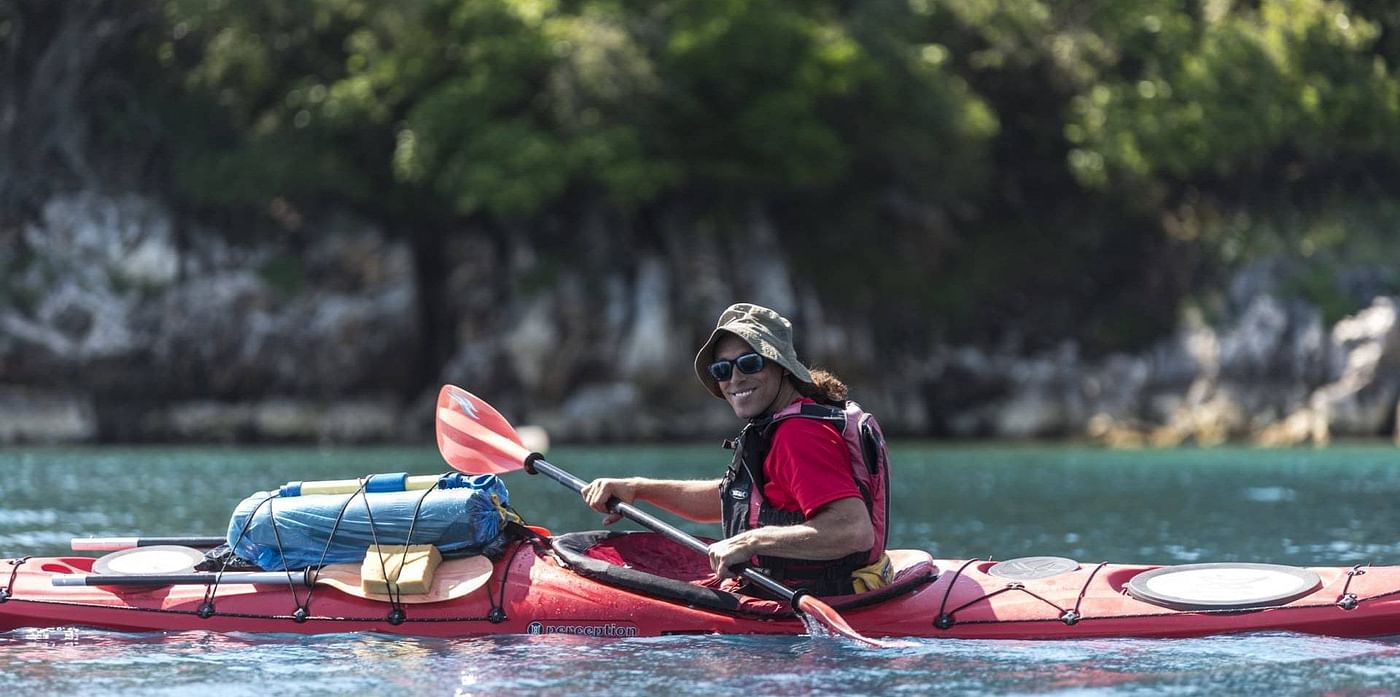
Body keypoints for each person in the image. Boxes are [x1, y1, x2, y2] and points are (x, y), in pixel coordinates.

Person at [581, 302, 892, 596]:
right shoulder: (787, 420)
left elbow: (853, 531)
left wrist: (751, 541)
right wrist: (638, 489)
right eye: (722, 370)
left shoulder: (799, 435)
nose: (735, 379)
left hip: (821, 598)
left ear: (781, 367)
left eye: (749, 363)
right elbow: (741, 502)